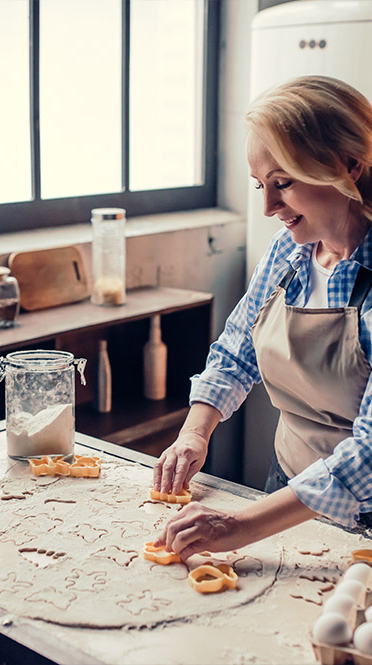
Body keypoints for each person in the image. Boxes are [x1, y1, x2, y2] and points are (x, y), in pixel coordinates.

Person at [153, 75, 372, 560]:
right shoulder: (287, 251)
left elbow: (370, 453)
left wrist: (239, 525)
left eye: (284, 183)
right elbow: (237, 349)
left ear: (350, 167)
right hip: (285, 492)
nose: (269, 207)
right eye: (260, 186)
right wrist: (195, 432)